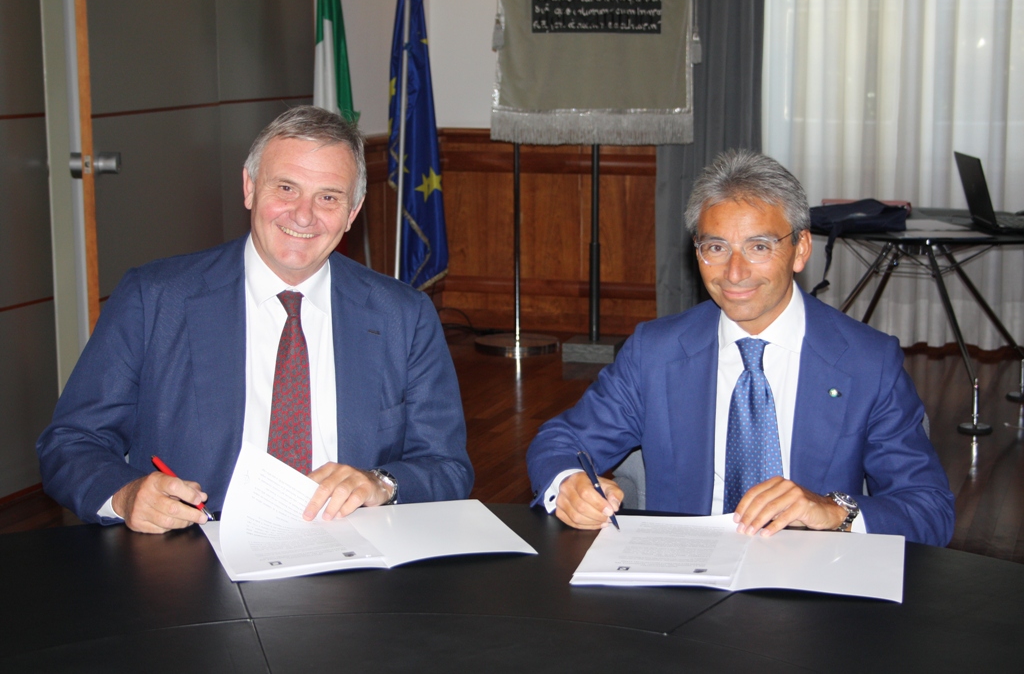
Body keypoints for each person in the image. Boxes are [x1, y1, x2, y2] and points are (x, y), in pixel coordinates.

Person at [38, 106, 472, 533]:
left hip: (351, 548)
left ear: (353, 211)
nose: (303, 215)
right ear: (249, 188)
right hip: (195, 548)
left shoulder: (403, 315)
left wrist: (381, 483)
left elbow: (446, 466)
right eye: (286, 188)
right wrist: (128, 494)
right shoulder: (155, 300)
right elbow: (71, 443)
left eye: (328, 197)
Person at [526, 149, 954, 547]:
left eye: (759, 247)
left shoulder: (867, 362)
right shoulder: (654, 353)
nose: (734, 272)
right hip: (681, 571)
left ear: (801, 249)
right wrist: (569, 484)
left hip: (812, 576)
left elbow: (929, 509)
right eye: (716, 247)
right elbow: (562, 441)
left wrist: (832, 511)